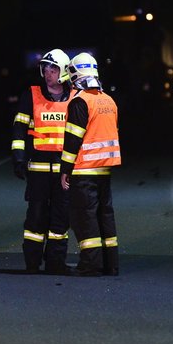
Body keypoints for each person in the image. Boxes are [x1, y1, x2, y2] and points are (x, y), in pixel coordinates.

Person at [11, 48, 74, 274]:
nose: (48, 73)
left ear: (64, 72)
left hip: (65, 172)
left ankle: (56, 263)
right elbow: (19, 129)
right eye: (45, 68)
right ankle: (32, 263)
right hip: (37, 170)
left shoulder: (75, 97)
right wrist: (18, 159)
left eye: (53, 69)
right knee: (36, 218)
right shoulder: (31, 95)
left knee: (60, 219)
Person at [59, 53, 121, 277]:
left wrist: (65, 170)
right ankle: (110, 263)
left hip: (84, 170)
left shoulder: (80, 101)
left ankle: (91, 264)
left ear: (74, 74)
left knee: (85, 217)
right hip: (104, 170)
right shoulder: (108, 100)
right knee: (105, 215)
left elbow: (72, 140)